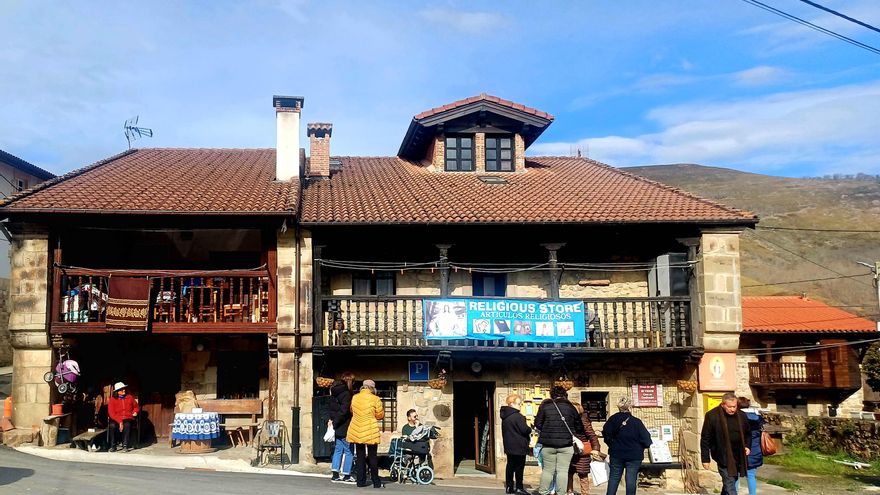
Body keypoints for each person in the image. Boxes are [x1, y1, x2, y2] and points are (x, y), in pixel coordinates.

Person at [534, 386, 585, 495]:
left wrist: (547, 430)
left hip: (547, 444)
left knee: (548, 470)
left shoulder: (545, 406)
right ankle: (561, 493)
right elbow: (580, 427)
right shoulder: (570, 407)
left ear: (552, 395)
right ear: (565, 395)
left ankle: (543, 492)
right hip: (566, 445)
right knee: (563, 471)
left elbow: (537, 424)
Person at [700, 392, 751, 495]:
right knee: (730, 483)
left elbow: (748, 433)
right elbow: (705, 438)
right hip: (722, 455)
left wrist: (747, 446)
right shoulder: (712, 415)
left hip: (738, 454)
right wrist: (705, 459)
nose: (732, 409)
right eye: (729, 407)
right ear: (723, 405)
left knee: (732, 480)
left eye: (734, 406)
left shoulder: (742, 415)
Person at [602, 397, 652, 495]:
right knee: (631, 479)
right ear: (630, 407)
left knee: (614, 478)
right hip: (634, 455)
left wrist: (612, 444)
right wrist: (641, 447)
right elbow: (647, 440)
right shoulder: (637, 422)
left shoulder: (612, 419)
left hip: (616, 453)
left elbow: (606, 434)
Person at [347, 379, 385, 488]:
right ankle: (376, 482)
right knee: (372, 456)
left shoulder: (355, 397)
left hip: (357, 429)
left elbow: (352, 411)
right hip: (370, 429)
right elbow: (380, 415)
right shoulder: (375, 399)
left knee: (360, 456)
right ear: (372, 388)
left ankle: (360, 481)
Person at [567, 402, 601, 495]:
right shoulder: (570, 419)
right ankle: (572, 492)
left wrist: (596, 449)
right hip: (574, 449)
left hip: (581, 450)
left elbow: (591, 434)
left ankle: (582, 493)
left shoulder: (583, 419)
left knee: (582, 474)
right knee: (571, 473)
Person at [501, 394, 532, 495]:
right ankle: (519, 487)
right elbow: (524, 430)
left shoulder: (505, 416)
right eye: (519, 403)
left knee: (510, 465)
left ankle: (509, 487)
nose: (520, 405)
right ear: (512, 403)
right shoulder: (518, 417)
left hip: (509, 445)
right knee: (519, 467)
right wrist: (530, 429)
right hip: (519, 445)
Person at [328, 372, 356, 483]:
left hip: (337, 425)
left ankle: (335, 474)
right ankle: (346, 474)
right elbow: (344, 411)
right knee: (349, 450)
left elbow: (331, 408)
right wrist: (337, 422)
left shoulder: (334, 392)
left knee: (338, 449)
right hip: (346, 425)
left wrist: (333, 422)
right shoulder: (347, 394)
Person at [735, 397, 763, 495]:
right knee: (751, 475)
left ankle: (734, 492)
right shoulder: (758, 418)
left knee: (735, 474)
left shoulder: (737, 417)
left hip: (739, 449)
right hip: (754, 450)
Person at [107, 381, 139, 452]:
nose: (124, 390)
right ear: (117, 391)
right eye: (121, 389)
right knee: (112, 426)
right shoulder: (112, 400)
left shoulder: (129, 397)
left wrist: (135, 412)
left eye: (124, 388)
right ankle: (113, 446)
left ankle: (125, 445)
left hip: (127, 417)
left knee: (127, 425)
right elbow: (111, 413)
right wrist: (119, 421)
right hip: (116, 418)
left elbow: (136, 407)